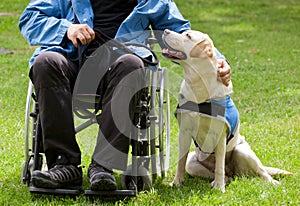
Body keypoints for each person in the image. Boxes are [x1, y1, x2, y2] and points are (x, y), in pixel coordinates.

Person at [19, 0, 231, 191]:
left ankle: (103, 166)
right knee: (45, 62)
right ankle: (63, 165)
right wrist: (67, 29)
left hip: (121, 66)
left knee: (131, 64)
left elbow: (180, 33)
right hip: (73, 61)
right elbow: (30, 18)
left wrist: (217, 62)